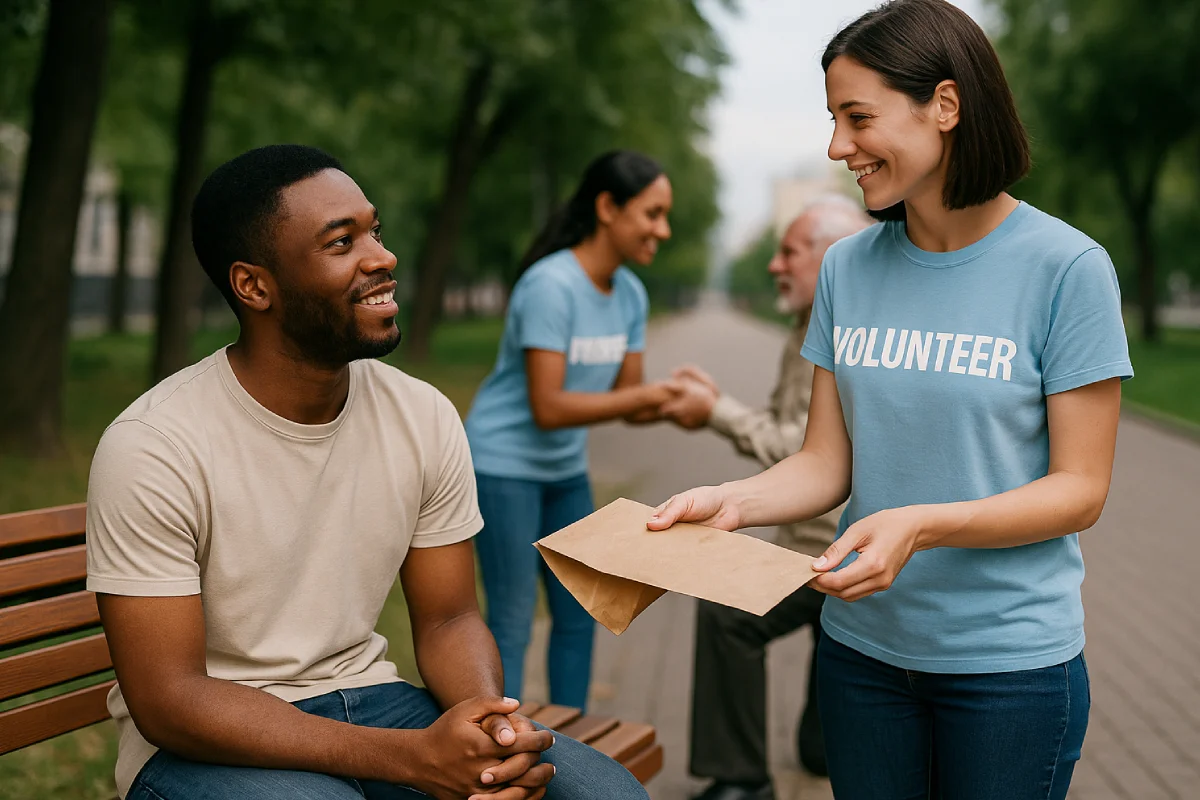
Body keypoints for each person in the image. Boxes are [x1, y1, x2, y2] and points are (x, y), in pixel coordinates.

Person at [648, 1, 1133, 797]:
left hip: (1008, 674)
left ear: (944, 106)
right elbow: (823, 463)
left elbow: (1081, 491)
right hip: (862, 659)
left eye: (857, 117)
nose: (839, 147)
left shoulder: (1067, 269)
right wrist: (731, 500)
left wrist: (925, 524)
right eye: (834, 120)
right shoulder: (847, 269)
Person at [85, 144, 649, 800]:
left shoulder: (421, 415)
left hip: (374, 705)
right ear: (254, 285)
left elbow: (449, 621)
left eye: (373, 230)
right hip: (207, 741)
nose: (383, 258)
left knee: (608, 795)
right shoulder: (155, 446)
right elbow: (170, 699)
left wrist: (486, 726)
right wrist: (409, 760)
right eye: (341, 242)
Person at [659, 198, 870, 800]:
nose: (775, 265)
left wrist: (715, 413)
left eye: (790, 251)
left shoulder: (844, 330)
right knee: (821, 751)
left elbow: (806, 454)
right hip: (813, 544)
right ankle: (805, 746)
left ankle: (742, 781)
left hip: (841, 550)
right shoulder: (808, 325)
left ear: (832, 257)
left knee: (726, 614)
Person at [464, 150, 679, 712]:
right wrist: (643, 396)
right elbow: (548, 408)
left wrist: (682, 398)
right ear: (608, 207)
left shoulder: (630, 293)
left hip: (563, 472)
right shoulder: (550, 286)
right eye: (652, 213)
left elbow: (630, 403)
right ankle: (499, 750)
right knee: (512, 618)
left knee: (582, 612)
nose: (664, 229)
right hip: (503, 466)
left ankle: (571, 745)